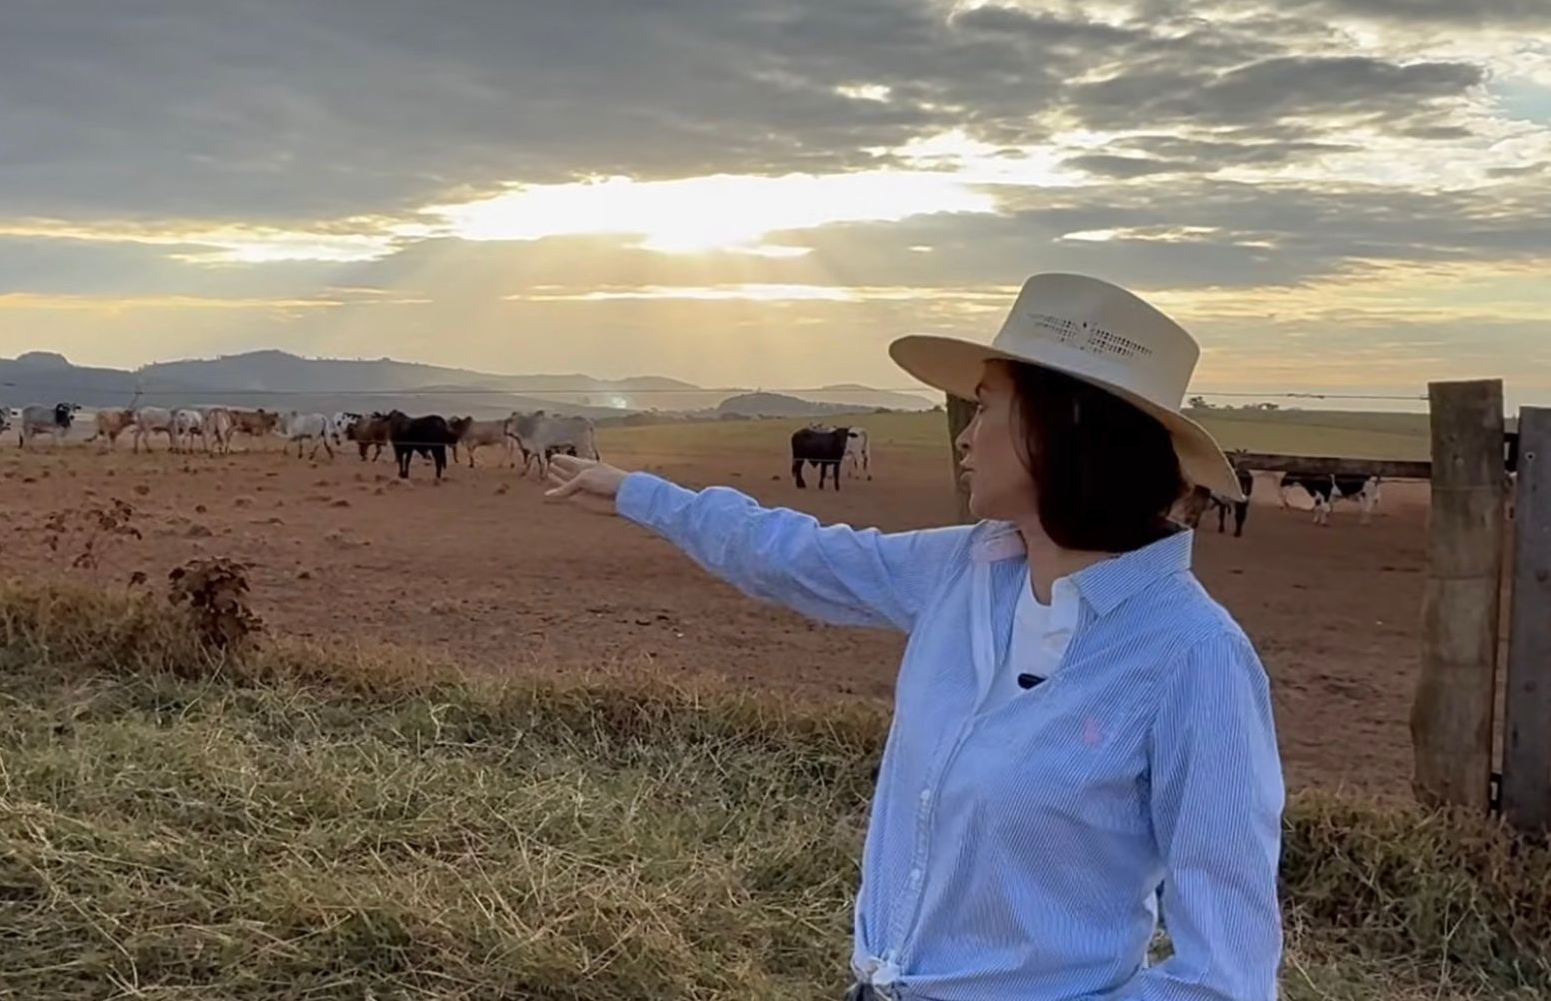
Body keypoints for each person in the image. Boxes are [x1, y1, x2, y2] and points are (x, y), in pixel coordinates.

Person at [546, 273, 1284, 1000]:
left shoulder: (1193, 657)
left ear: (1063, 428)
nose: (965, 437)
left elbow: (1226, 977)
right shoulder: (965, 570)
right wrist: (642, 495)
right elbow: (797, 554)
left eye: (987, 408)